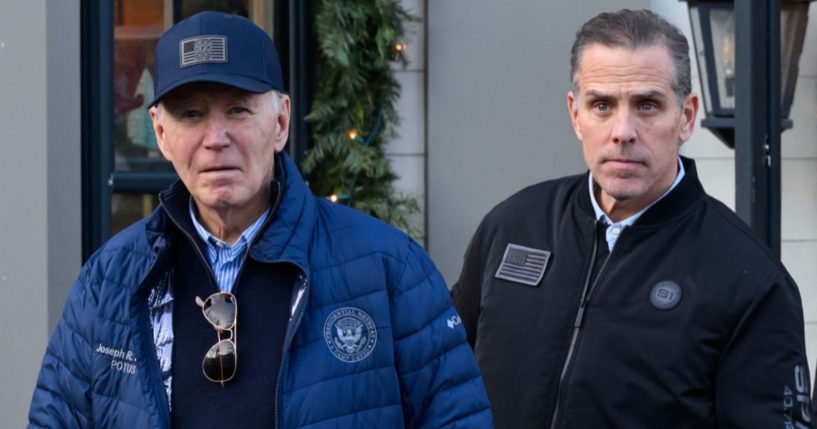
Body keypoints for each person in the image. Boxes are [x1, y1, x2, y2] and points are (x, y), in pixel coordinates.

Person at [29, 11, 492, 428]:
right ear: (161, 132)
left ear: (281, 122)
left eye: (238, 109)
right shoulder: (110, 279)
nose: (216, 138)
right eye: (191, 114)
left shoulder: (389, 267)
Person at [452, 9, 813, 429]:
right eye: (602, 104)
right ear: (575, 114)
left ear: (687, 116)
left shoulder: (750, 280)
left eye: (646, 105)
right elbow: (441, 380)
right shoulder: (511, 226)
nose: (623, 130)